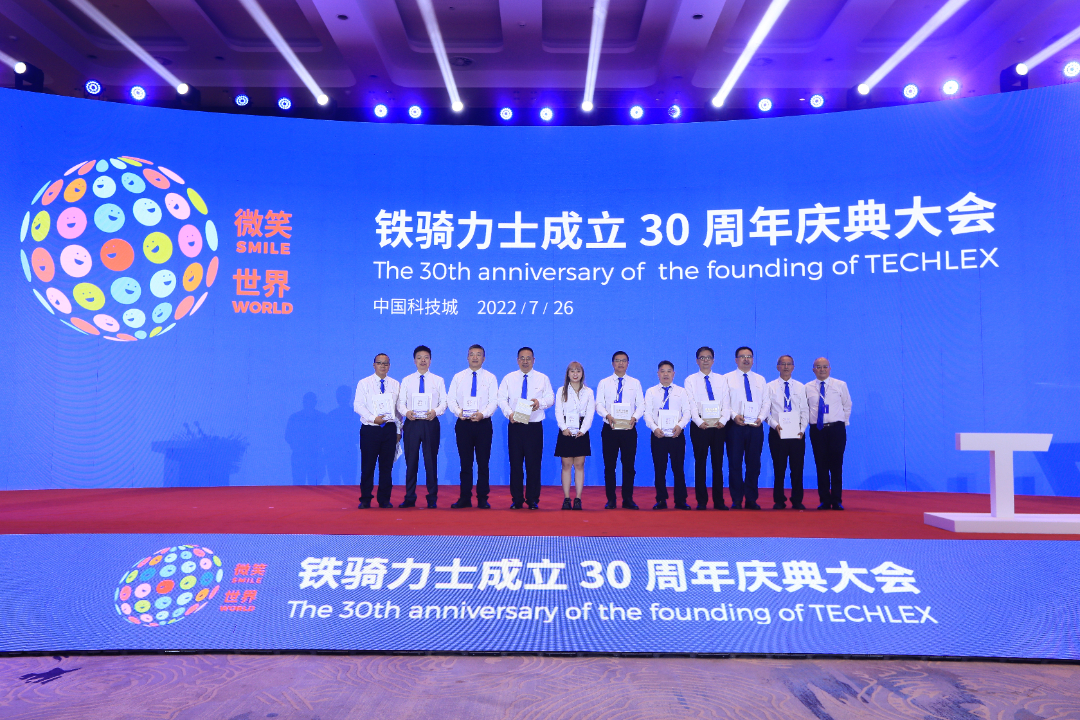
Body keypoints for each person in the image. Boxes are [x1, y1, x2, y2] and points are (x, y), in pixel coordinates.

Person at [497, 347, 554, 509]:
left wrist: (539, 403)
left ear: (534, 360)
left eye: (528, 358)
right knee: (515, 464)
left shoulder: (542, 378)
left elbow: (551, 398)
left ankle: (532, 499)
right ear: (517, 360)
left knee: (533, 464)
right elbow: (501, 399)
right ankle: (517, 499)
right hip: (515, 425)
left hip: (534, 426)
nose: (525, 361)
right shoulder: (509, 378)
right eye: (522, 358)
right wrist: (509, 414)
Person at [446, 344, 498, 509]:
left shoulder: (490, 378)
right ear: (467, 357)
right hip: (463, 424)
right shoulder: (458, 377)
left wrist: (483, 414)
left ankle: (482, 498)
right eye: (472, 354)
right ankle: (465, 498)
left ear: (484, 358)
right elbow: (450, 399)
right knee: (465, 463)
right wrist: (458, 412)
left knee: (483, 463)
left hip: (483, 424)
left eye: (478, 354)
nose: (475, 357)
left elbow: (494, 401)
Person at [396, 345, 447, 508]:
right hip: (412, 423)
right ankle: (409, 497)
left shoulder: (438, 380)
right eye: (419, 358)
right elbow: (400, 403)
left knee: (430, 461)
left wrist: (435, 411)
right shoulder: (407, 380)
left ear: (430, 360)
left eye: (426, 357)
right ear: (414, 361)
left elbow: (444, 402)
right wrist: (406, 412)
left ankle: (432, 498)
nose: (422, 360)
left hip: (430, 423)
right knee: (411, 461)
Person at [594, 351, 645, 509]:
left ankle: (628, 499)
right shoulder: (604, 383)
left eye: (623, 361)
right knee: (609, 466)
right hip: (610, 428)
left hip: (629, 428)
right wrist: (607, 415)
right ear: (612, 363)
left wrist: (634, 417)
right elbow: (599, 404)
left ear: (628, 363)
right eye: (617, 360)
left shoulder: (635, 383)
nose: (620, 363)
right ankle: (611, 499)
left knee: (629, 465)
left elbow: (641, 405)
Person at [684, 346, 731, 510]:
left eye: (708, 357)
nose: (705, 360)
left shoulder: (721, 379)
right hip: (700, 427)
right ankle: (701, 501)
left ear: (713, 360)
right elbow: (690, 403)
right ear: (697, 361)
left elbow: (726, 402)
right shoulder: (690, 380)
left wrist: (723, 420)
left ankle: (719, 501)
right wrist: (698, 421)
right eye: (702, 358)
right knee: (700, 463)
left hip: (719, 427)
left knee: (718, 464)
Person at [353, 354, 401, 508]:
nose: (382, 366)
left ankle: (384, 499)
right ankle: (365, 499)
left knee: (387, 467)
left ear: (389, 366)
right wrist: (374, 418)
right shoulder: (364, 383)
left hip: (389, 429)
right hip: (370, 429)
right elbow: (358, 405)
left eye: (386, 363)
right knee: (368, 466)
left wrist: (398, 430)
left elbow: (398, 409)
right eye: (379, 363)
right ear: (374, 365)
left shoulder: (395, 384)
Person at [762, 355, 809, 510]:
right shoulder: (769, 387)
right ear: (777, 367)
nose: (786, 367)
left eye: (789, 364)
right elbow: (765, 412)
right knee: (779, 468)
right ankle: (779, 500)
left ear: (793, 367)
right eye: (783, 364)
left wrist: (802, 429)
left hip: (797, 434)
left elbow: (805, 410)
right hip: (777, 433)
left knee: (797, 468)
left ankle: (797, 500)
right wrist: (775, 425)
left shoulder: (801, 387)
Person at [644, 361, 692, 510]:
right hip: (658, 435)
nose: (666, 374)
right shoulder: (651, 392)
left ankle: (680, 500)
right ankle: (661, 499)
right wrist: (654, 428)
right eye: (662, 371)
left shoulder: (681, 391)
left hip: (676, 435)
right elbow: (647, 413)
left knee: (678, 468)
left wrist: (680, 426)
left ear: (674, 374)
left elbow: (687, 412)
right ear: (658, 374)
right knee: (659, 468)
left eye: (669, 371)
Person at [806, 357, 852, 510]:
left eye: (825, 366)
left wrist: (842, 423)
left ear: (830, 369)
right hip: (817, 430)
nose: (822, 369)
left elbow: (847, 405)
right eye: (818, 367)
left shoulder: (840, 385)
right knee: (821, 465)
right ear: (813, 370)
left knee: (836, 465)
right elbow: (805, 408)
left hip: (836, 429)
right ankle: (824, 500)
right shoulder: (807, 387)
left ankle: (837, 500)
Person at [723, 346, 767, 510]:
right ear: (736, 360)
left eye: (749, 356)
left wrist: (761, 417)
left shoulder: (760, 380)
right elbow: (724, 403)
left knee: (754, 463)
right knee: (735, 463)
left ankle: (751, 499)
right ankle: (736, 499)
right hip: (735, 426)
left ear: (753, 360)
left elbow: (766, 402)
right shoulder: (726, 379)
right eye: (742, 356)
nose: (746, 359)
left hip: (755, 426)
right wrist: (734, 415)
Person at [554, 361, 593, 510]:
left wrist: (584, 429)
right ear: (568, 374)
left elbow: (590, 413)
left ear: (582, 373)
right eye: (572, 371)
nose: (575, 374)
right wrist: (563, 428)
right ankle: (566, 498)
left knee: (579, 465)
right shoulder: (561, 390)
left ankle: (578, 498)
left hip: (582, 430)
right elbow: (558, 411)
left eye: (578, 371)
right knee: (566, 465)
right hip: (566, 429)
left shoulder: (588, 392)